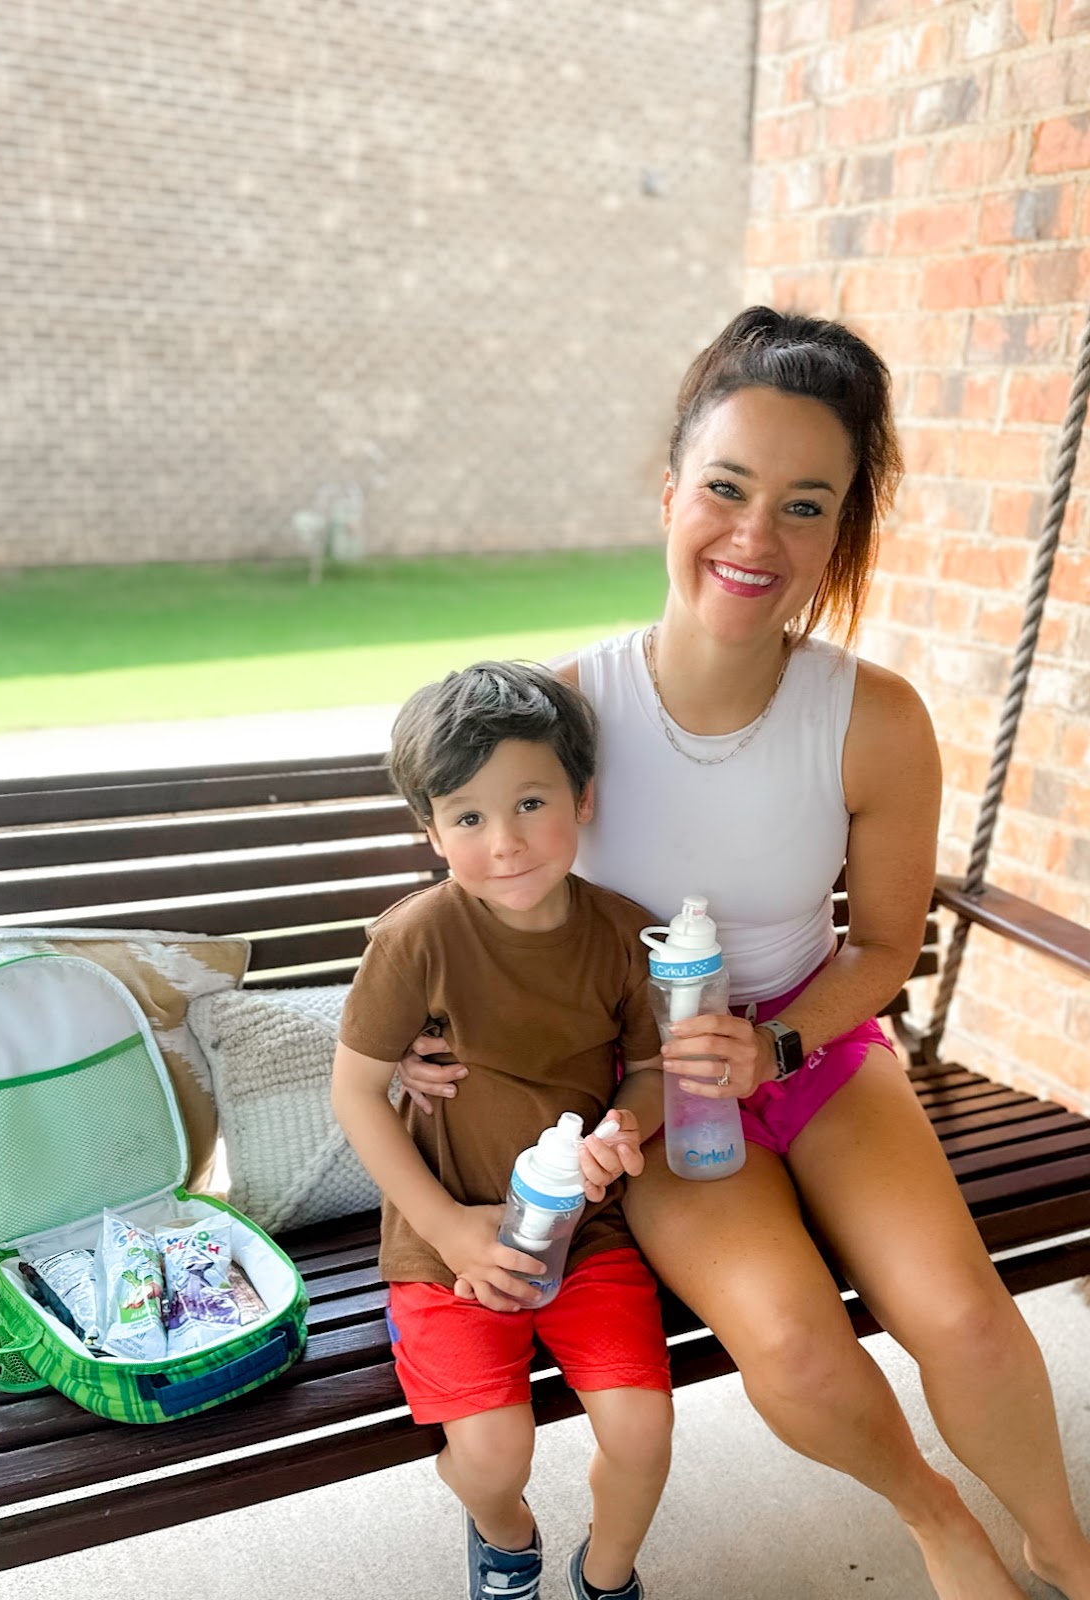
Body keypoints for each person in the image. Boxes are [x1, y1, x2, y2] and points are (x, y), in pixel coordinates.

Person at [398, 307, 1090, 1600]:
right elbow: (472, 901)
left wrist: (775, 1042)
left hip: (812, 1048)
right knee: (796, 1345)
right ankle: (938, 1518)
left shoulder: (874, 719)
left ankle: (1064, 1546)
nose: (755, 536)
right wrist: (427, 1049)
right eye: (725, 488)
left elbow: (884, 947)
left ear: (840, 534)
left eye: (804, 506)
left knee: (962, 1316)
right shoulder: (567, 717)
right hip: (649, 1093)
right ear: (670, 494)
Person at [330, 660, 674, 1600]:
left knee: (643, 1431)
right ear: (431, 831)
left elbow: (651, 1071)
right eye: (469, 817)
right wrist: (448, 1228)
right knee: (491, 1454)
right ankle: (506, 1538)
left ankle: (606, 1577)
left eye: (530, 802)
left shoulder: (622, 935)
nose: (507, 842)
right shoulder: (417, 939)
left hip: (585, 1231)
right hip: (446, 1242)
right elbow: (356, 1092)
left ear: (582, 798)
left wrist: (625, 1127)